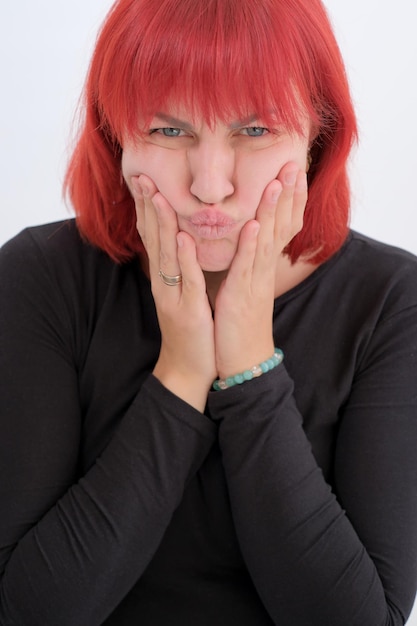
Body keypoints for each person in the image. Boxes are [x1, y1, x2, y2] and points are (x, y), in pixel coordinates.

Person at [0, 0, 416, 623]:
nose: (210, 185)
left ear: (316, 140)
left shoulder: (390, 302)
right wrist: (183, 369)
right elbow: (29, 611)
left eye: (254, 130)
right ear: (116, 139)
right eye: (170, 130)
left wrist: (248, 357)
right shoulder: (42, 277)